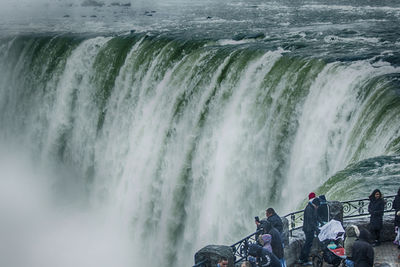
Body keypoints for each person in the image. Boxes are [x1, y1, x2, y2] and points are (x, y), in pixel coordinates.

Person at [299, 197, 320, 265]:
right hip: (308, 229)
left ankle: (303, 258)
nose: (317, 207)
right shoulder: (309, 209)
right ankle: (303, 259)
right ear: (315, 205)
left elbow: (316, 217)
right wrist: (316, 228)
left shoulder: (312, 207)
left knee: (308, 244)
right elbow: (311, 221)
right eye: (317, 206)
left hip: (309, 229)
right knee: (307, 244)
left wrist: (321, 222)